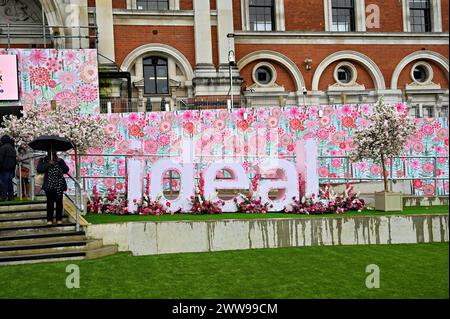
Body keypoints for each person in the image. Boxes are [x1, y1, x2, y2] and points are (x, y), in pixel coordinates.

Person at [37, 151, 69, 225]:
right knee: (50, 202)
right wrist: (48, 164)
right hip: (49, 184)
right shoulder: (43, 160)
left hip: (59, 184)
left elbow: (66, 170)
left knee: (59, 202)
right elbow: (39, 169)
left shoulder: (60, 160)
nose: (52, 154)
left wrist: (60, 162)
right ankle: (49, 220)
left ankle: (59, 219)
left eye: (54, 152)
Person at [0, 135, 17, 201]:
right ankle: (11, 197)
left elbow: (0, 159)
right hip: (11, 169)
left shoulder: (3, 148)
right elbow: (14, 160)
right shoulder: (12, 149)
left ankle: (3, 197)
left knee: (3, 183)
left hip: (4, 169)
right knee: (10, 184)